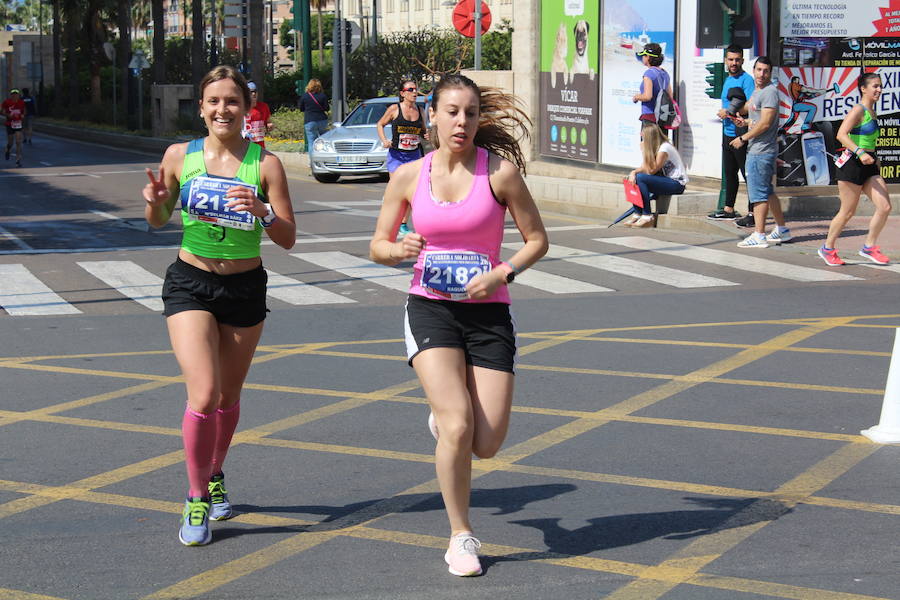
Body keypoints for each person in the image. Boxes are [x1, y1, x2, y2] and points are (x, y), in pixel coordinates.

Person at [369, 74, 548, 577]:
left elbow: (537, 239)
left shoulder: (501, 175)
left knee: (486, 443)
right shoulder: (408, 177)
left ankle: (448, 425)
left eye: (470, 113)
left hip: (488, 312)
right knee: (458, 423)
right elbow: (378, 244)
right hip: (431, 309)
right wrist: (397, 250)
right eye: (451, 111)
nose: (461, 122)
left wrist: (502, 272)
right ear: (432, 115)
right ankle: (461, 536)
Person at [142, 65, 296, 546]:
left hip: (245, 287)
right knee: (204, 394)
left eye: (231, 101)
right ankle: (195, 498)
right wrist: (156, 201)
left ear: (246, 109)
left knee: (228, 398)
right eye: (213, 101)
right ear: (202, 107)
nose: (222, 109)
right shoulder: (179, 155)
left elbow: (288, 237)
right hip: (190, 282)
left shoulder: (265, 164)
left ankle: (214, 472)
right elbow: (158, 219)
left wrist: (264, 212)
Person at [819, 73, 891, 266]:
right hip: (852, 163)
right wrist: (860, 152)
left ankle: (869, 246)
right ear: (863, 88)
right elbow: (841, 134)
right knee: (847, 212)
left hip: (869, 164)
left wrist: (873, 159)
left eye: (880, 86)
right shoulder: (858, 110)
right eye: (875, 86)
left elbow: (869, 140)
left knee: (885, 206)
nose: (879, 90)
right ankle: (827, 248)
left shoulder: (872, 110)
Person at [730, 56, 791, 249]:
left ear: (770, 73)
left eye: (765, 71)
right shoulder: (759, 92)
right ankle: (782, 229)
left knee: (758, 195)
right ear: (754, 70)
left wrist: (743, 138)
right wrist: (746, 122)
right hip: (760, 149)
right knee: (768, 192)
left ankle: (759, 235)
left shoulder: (770, 92)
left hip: (760, 151)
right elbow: (759, 119)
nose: (761, 74)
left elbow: (765, 123)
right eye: (758, 70)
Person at [708, 44, 756, 222]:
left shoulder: (747, 80)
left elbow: (751, 105)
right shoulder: (728, 80)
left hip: (741, 133)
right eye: (731, 59)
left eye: (737, 60)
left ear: (742, 60)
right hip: (727, 132)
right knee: (729, 173)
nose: (734, 63)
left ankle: (753, 212)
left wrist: (728, 112)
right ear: (726, 61)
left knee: (748, 174)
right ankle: (728, 209)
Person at [376, 79, 428, 235]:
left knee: (413, 192)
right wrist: (384, 140)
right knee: (398, 190)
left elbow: (423, 132)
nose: (414, 92)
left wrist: (427, 135)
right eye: (410, 90)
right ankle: (391, 216)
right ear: (402, 93)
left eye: (415, 90)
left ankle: (403, 224)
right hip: (397, 155)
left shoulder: (420, 110)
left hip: (414, 155)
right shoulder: (395, 109)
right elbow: (380, 124)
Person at [625, 123, 688, 228]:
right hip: (667, 181)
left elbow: (651, 171)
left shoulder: (664, 148)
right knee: (633, 178)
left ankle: (647, 216)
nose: (642, 139)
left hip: (677, 183)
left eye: (643, 136)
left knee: (640, 178)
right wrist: (633, 172)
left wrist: (644, 151)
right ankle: (638, 213)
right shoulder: (657, 147)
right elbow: (644, 168)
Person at [631, 43, 672, 125]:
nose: (642, 58)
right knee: (662, 138)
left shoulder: (649, 74)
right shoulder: (664, 73)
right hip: (663, 117)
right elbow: (670, 95)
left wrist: (636, 97)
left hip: (650, 117)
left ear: (648, 57)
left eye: (643, 55)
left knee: (649, 138)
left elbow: (647, 96)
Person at [299, 78, 329, 151]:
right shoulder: (323, 96)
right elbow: (327, 108)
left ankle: (313, 161)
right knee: (323, 140)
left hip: (310, 121)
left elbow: (301, 108)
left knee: (311, 142)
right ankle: (322, 158)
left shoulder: (305, 96)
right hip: (322, 120)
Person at [242, 81, 273, 148]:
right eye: (250, 92)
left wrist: (269, 125)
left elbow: (268, 122)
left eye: (255, 91)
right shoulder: (242, 108)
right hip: (245, 145)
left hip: (260, 146)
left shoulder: (264, 107)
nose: (253, 94)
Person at [2, 88, 25, 167]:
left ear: (18, 95)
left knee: (18, 142)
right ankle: (8, 150)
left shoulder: (21, 102)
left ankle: (18, 160)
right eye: (13, 94)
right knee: (11, 142)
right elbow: (2, 111)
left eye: (16, 94)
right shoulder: (6, 102)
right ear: (11, 95)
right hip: (9, 124)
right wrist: (8, 115)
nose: (15, 95)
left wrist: (23, 115)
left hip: (18, 124)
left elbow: (24, 110)